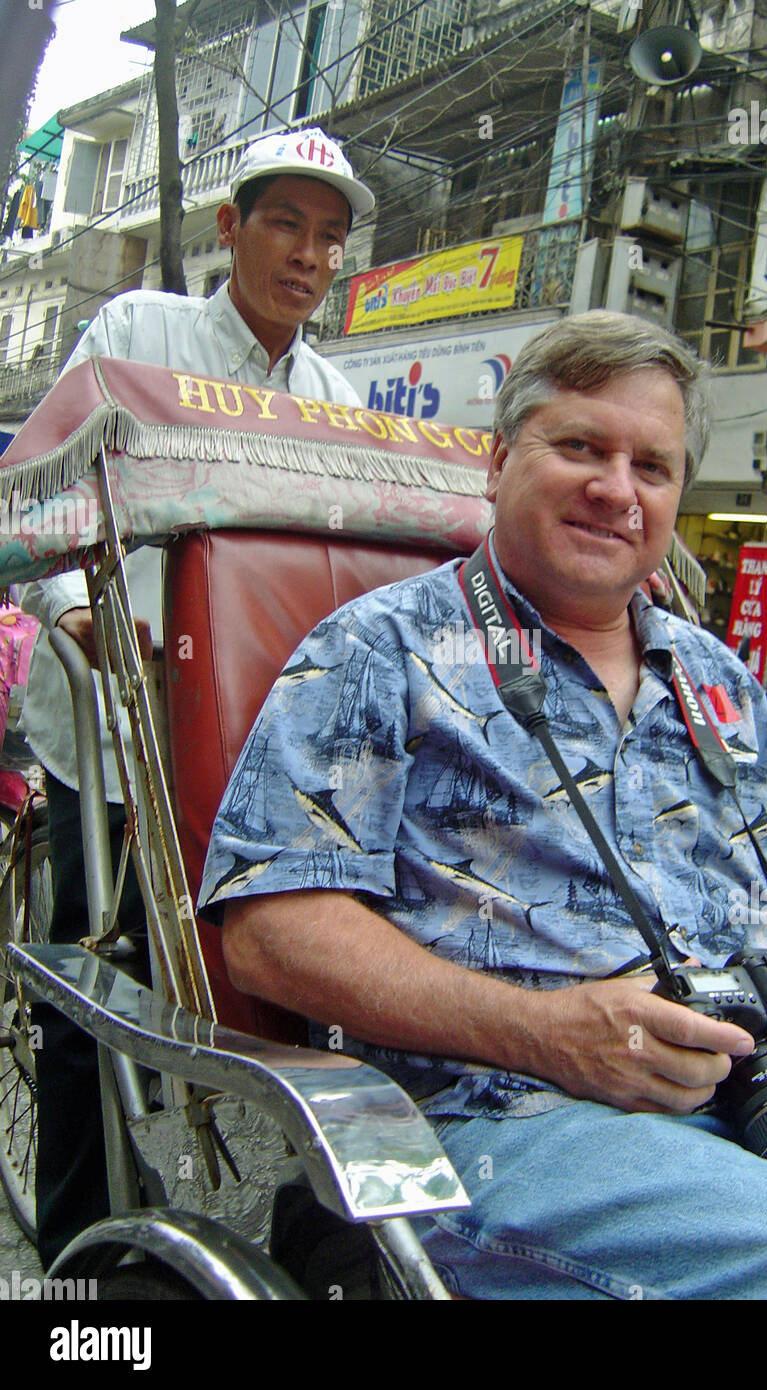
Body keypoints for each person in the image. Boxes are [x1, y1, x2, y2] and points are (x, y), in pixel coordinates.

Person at [198, 311, 767, 1300]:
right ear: (496, 461)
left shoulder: (712, 675)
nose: (615, 489)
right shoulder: (376, 649)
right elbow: (272, 931)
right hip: (516, 1119)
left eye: (650, 466)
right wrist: (546, 1030)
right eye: (578, 447)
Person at [20, 127, 374, 1268]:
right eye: (285, 225)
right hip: (118, 720)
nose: (308, 257)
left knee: (308, 987)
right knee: (93, 979)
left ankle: (300, 1233)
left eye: (328, 239)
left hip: (253, 738)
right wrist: (75, 601)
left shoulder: (337, 395)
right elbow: (45, 484)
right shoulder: (139, 333)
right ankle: (83, 1257)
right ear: (231, 229)